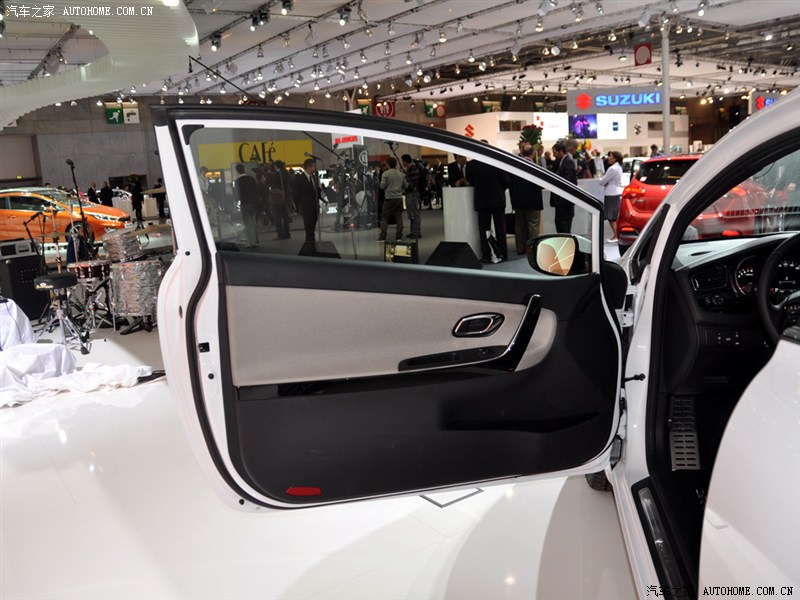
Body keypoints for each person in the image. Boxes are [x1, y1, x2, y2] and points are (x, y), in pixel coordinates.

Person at [467, 151, 509, 262]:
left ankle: (487, 254)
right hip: (497, 199)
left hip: (481, 200)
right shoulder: (497, 162)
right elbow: (506, 181)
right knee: (500, 228)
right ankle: (503, 253)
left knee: (484, 229)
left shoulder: (471, 165)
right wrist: (499, 190)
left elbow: (471, 181)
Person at [509, 146, 543, 255]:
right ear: (533, 154)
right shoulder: (536, 167)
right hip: (533, 201)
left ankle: (520, 248)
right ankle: (532, 249)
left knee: (519, 225)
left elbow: (510, 184)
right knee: (533, 225)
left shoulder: (515, 167)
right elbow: (541, 184)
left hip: (518, 201)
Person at [551, 140, 577, 233]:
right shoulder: (562, 161)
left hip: (565, 201)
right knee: (560, 224)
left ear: (561, 151)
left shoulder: (568, 161)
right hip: (562, 201)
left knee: (563, 226)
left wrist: (555, 179)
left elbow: (568, 179)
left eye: (555, 153)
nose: (554, 155)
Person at [293, 158, 321, 242]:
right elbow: (296, 194)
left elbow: (317, 190)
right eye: (313, 166)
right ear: (309, 167)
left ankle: (311, 241)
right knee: (308, 227)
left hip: (315, 206)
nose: (315, 168)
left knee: (312, 226)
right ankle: (310, 242)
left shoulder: (315, 177)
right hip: (306, 206)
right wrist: (298, 205)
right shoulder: (299, 179)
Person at [599, 151, 624, 242]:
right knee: (613, 216)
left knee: (611, 217)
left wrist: (602, 180)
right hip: (616, 192)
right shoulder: (619, 167)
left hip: (610, 193)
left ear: (615, 158)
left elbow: (602, 181)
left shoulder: (612, 168)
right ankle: (617, 235)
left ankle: (616, 236)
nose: (608, 158)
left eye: (610, 156)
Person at [378, 157, 405, 242]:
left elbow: (382, 186)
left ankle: (383, 236)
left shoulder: (385, 174)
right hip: (399, 198)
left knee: (385, 217)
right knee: (398, 217)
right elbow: (405, 186)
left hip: (389, 198)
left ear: (388, 164)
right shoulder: (401, 174)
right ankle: (399, 236)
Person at [235, 163, 260, 247]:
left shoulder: (237, 181)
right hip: (253, 203)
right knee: (253, 222)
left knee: (247, 223)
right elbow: (256, 190)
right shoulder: (251, 179)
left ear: (237, 171)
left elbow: (236, 195)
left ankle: (251, 242)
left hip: (244, 203)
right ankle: (256, 241)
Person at [267, 161, 292, 240]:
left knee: (277, 216)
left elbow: (269, 182)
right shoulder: (286, 173)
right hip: (286, 196)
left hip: (277, 197)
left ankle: (280, 234)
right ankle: (287, 233)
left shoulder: (276, 174)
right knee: (285, 216)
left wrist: (269, 174)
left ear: (276, 166)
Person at [401, 154, 422, 239]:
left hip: (413, 193)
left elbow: (413, 183)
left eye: (402, 161)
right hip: (410, 193)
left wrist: (405, 184)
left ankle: (417, 232)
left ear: (405, 161)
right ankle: (413, 231)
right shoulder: (409, 169)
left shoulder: (413, 170)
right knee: (411, 213)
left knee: (414, 213)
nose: (402, 163)